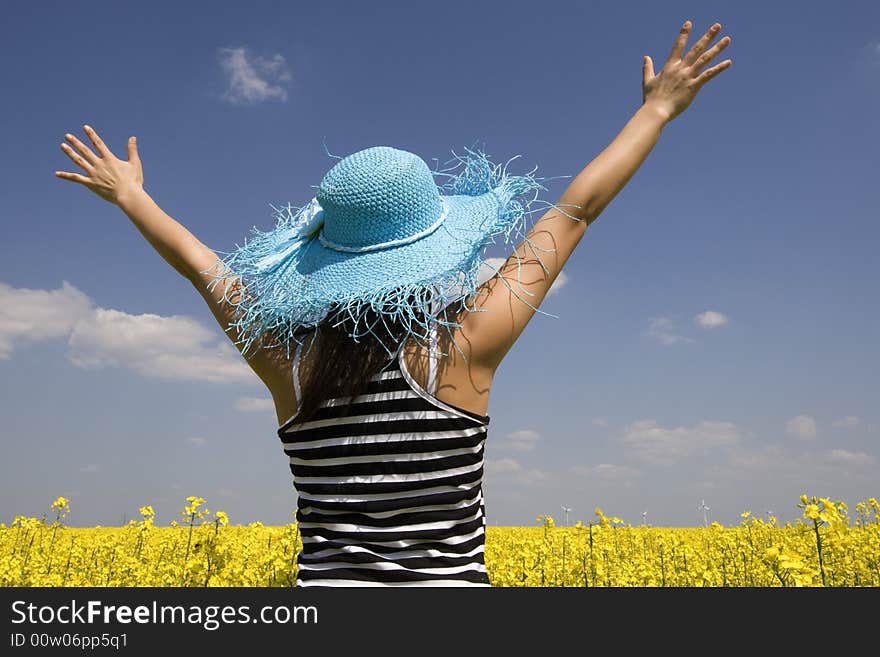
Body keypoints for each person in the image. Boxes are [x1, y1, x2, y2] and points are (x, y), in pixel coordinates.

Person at [54, 19, 732, 586]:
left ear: (328, 255)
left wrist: (131, 196)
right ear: (431, 246)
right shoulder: (465, 342)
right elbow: (576, 211)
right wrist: (656, 110)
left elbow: (203, 268)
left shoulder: (284, 359)